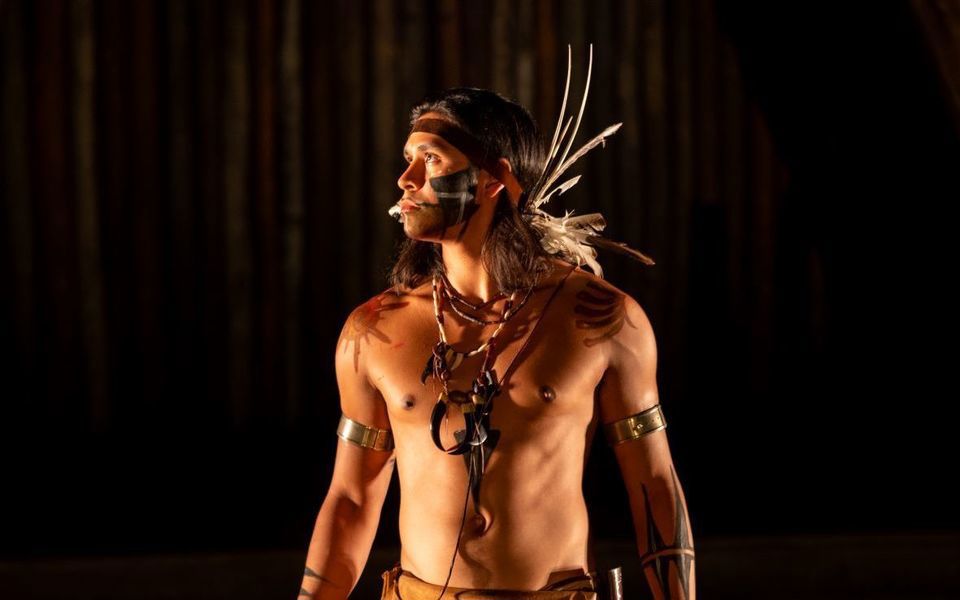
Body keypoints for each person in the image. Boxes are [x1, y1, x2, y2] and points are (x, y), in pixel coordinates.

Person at [299, 55, 695, 600]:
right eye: (408, 159)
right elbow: (350, 499)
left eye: (431, 160)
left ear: (493, 181)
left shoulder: (603, 320)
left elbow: (654, 483)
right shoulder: (373, 332)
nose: (405, 178)